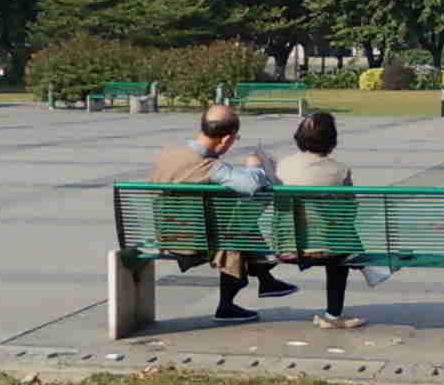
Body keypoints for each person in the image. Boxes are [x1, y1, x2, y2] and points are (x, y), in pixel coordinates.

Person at [152, 104, 296, 323]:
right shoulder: (209, 167)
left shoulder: (167, 153)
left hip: (167, 234)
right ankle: (235, 298)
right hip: (195, 242)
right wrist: (255, 166)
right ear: (227, 139)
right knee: (238, 224)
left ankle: (265, 279)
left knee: (234, 219)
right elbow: (250, 185)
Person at [275, 111, 366, 330]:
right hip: (329, 249)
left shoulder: (282, 166)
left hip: (287, 246)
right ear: (332, 140)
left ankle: (228, 304)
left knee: (336, 239)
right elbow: (349, 210)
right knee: (340, 247)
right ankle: (333, 314)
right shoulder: (340, 170)